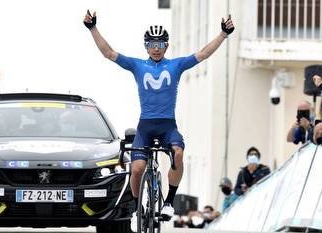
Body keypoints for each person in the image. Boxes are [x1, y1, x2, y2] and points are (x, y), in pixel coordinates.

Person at [83, 10, 234, 232]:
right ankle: (136, 210)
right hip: (145, 125)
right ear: (146, 46)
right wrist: (92, 28)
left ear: (166, 46)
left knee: (179, 154)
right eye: (152, 44)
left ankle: (169, 202)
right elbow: (108, 53)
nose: (156, 48)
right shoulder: (137, 65)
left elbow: (203, 54)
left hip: (167, 126)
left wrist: (223, 34)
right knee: (136, 169)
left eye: (161, 43)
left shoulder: (176, 65)